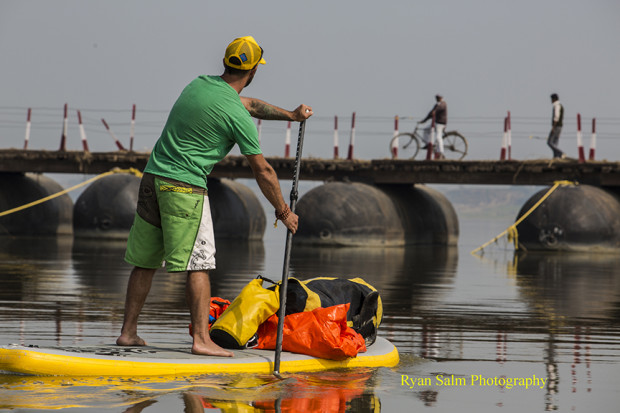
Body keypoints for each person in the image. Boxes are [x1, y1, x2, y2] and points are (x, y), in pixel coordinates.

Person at [116, 36, 313, 357]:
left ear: (226, 63)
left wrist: (291, 116)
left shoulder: (199, 85)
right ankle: (201, 340)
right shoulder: (236, 116)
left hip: (152, 179)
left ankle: (128, 333)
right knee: (199, 265)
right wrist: (283, 211)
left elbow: (248, 104)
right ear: (252, 72)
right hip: (185, 189)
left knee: (144, 262)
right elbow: (263, 170)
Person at [418, 94, 447, 159]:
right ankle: (428, 144)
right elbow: (431, 113)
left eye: (439, 98)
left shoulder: (443, 104)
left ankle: (441, 153)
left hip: (441, 123)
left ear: (442, 98)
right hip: (435, 123)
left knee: (438, 137)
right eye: (436, 98)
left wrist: (434, 111)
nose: (437, 99)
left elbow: (439, 109)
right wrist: (424, 120)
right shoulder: (436, 105)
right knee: (425, 130)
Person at [547, 93, 565, 159]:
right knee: (555, 142)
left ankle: (560, 153)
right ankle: (556, 156)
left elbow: (556, 117)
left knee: (549, 142)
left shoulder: (556, 106)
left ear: (554, 99)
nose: (551, 101)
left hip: (557, 126)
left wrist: (553, 127)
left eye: (551, 99)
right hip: (560, 126)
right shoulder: (561, 106)